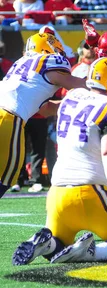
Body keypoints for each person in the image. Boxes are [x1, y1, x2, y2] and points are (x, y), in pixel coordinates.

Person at [12, 57, 107, 266]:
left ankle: (47, 244)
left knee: (60, 247)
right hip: (89, 193)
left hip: (57, 195)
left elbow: (48, 111)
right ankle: (92, 252)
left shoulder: (72, 96)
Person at [0, 32, 86, 199]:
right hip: (9, 118)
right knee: (7, 176)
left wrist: (77, 103)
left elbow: (45, 109)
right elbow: (80, 85)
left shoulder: (21, 63)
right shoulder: (50, 62)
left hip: (6, 112)